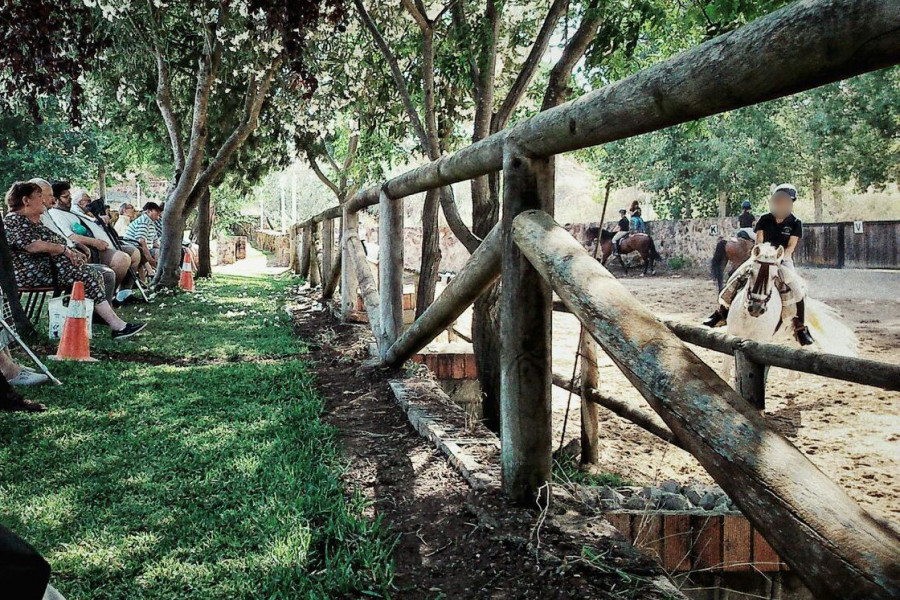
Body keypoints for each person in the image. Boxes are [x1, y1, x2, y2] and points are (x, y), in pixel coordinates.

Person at [4, 182, 146, 340]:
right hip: (35, 273)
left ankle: (110, 322)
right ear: (26, 200)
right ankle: (117, 326)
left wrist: (73, 250)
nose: (43, 201)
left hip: (52, 269)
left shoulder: (34, 220)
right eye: (39, 197)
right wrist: (64, 250)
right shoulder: (14, 221)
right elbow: (32, 246)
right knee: (89, 276)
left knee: (93, 274)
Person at [703, 184, 813, 346]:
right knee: (735, 277)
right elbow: (759, 240)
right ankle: (721, 312)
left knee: (798, 290)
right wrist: (760, 254)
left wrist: (779, 259)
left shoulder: (796, 222)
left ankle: (800, 327)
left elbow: (790, 246)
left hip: (782, 258)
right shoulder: (764, 218)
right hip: (762, 256)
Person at [30, 179, 117, 304]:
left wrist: (76, 246)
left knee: (106, 273)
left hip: (63, 262)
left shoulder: (44, 215)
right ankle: (103, 316)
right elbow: (37, 246)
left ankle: (97, 313)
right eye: (49, 195)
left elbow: (61, 239)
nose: (51, 199)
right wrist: (68, 250)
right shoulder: (33, 218)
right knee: (102, 273)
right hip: (53, 268)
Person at [48, 182, 135, 288]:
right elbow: (71, 236)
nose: (70, 199)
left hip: (105, 245)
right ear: (56, 199)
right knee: (122, 259)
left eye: (70, 195)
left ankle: (123, 294)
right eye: (66, 197)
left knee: (134, 253)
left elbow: (93, 222)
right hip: (89, 250)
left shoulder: (73, 211)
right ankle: (105, 295)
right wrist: (95, 242)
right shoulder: (55, 213)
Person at [123, 202, 162, 271]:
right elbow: (141, 241)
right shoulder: (144, 221)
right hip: (135, 247)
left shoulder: (151, 223)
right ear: (149, 211)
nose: (159, 214)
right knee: (159, 253)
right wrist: (149, 258)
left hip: (143, 248)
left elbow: (155, 242)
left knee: (162, 251)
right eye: (156, 211)